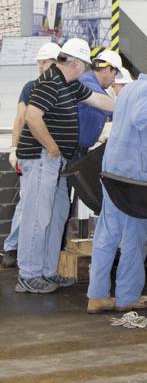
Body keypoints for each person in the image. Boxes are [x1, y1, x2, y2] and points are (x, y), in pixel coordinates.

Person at [14, 39, 115, 295]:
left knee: (56, 215)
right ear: (77, 64)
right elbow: (32, 117)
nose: (87, 71)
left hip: (57, 163)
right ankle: (28, 274)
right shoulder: (50, 82)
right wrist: (51, 147)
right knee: (37, 217)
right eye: (86, 66)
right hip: (41, 159)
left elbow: (98, 101)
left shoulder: (70, 84)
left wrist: (131, 106)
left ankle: (47, 271)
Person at [86, 45, 147, 315]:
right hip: (133, 173)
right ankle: (127, 296)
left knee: (108, 231)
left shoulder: (128, 89)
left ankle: (97, 296)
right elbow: (142, 119)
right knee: (135, 232)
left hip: (113, 167)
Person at [3, 41, 61, 268]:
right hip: (33, 155)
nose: (40, 66)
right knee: (28, 202)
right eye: (39, 62)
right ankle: (12, 247)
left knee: (44, 208)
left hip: (53, 158)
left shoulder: (64, 89)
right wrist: (14, 148)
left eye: (44, 62)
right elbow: (20, 118)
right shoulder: (31, 87)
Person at [76, 48, 122, 155]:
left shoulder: (95, 85)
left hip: (80, 150)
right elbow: (108, 105)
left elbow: (114, 113)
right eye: (114, 74)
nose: (113, 80)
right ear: (107, 69)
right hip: (73, 151)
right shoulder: (86, 81)